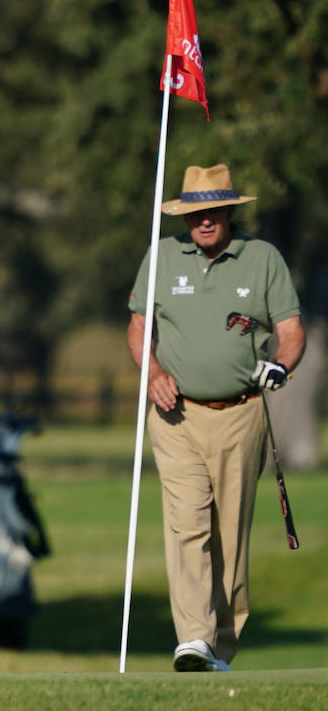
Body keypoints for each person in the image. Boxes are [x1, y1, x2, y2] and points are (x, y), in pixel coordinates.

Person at [126, 163, 304, 673]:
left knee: (229, 534)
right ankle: (194, 639)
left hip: (241, 415)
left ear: (228, 210)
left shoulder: (262, 258)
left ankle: (221, 648)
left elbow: (291, 331)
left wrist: (281, 365)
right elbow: (139, 331)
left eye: (213, 211)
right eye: (195, 212)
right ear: (185, 214)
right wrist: (153, 371)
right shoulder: (161, 255)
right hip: (176, 414)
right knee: (187, 525)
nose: (205, 220)